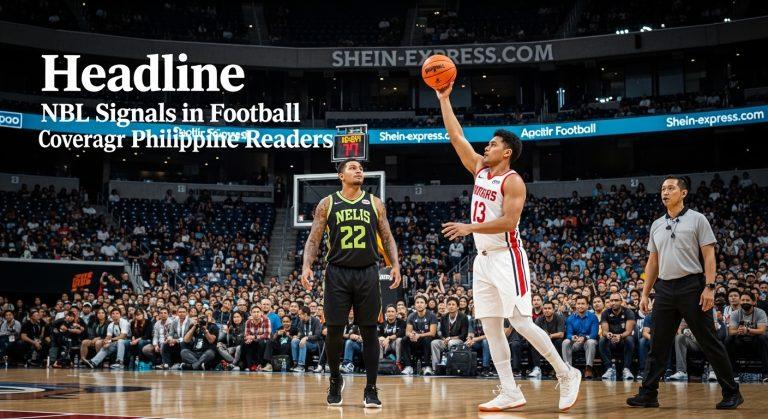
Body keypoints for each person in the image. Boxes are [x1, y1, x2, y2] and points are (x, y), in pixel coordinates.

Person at [437, 82, 581, 412]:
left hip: (507, 257)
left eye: (492, 144)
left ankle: (566, 372)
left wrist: (469, 227)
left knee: (520, 321)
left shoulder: (512, 181)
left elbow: (510, 223)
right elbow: (456, 136)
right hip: (483, 260)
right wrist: (444, 99)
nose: (485, 147)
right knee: (489, 325)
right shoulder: (480, 170)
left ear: (506, 152)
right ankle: (510, 390)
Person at [627, 176, 742, 409]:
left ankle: (732, 392)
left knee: (708, 341)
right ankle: (648, 394)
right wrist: (644, 293)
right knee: (658, 344)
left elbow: (709, 255)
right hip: (665, 289)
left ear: (684, 193)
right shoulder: (657, 224)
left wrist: (710, 287)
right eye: (662, 189)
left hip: (692, 286)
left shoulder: (697, 219)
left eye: (670, 188)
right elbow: (652, 262)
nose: (665, 192)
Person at [300, 158, 401, 408]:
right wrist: (306, 265)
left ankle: (371, 388)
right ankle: (335, 379)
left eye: (361, 168)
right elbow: (314, 239)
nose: (359, 171)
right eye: (353, 168)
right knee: (334, 331)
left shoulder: (375, 203)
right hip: (337, 273)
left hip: (368, 272)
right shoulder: (327, 203)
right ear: (341, 176)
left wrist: (395, 264)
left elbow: (387, 236)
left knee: (369, 331)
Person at [725, 291, 768, 380]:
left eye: (747, 300)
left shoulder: (760, 312)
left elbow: (762, 331)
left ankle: (766, 373)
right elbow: (731, 331)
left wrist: (748, 330)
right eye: (743, 300)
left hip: (755, 341)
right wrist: (739, 331)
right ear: (740, 301)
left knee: (763, 338)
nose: (745, 302)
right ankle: (733, 372)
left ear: (753, 302)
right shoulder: (735, 313)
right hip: (740, 341)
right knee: (728, 339)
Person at [599, 293, 637, 380]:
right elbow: (605, 331)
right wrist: (608, 335)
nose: (613, 303)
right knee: (602, 340)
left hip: (623, 339)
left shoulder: (628, 312)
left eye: (616, 300)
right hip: (611, 340)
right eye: (611, 300)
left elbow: (629, 331)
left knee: (630, 339)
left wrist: (620, 336)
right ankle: (609, 369)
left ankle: (626, 369)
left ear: (621, 301)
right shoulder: (605, 313)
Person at [562, 296, 599, 378]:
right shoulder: (570, 318)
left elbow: (594, 334)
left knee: (591, 342)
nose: (580, 306)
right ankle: (568, 369)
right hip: (576, 342)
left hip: (588, 342)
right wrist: (573, 337)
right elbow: (568, 334)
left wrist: (585, 338)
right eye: (578, 304)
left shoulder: (593, 317)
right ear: (575, 305)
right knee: (565, 342)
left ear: (587, 305)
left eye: (583, 304)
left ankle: (588, 369)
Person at [401, 295, 438, 375]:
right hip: (415, 340)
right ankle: (408, 367)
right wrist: (411, 335)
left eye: (421, 302)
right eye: (417, 302)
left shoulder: (431, 315)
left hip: (427, 340)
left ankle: (427, 366)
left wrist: (419, 335)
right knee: (404, 340)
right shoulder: (411, 316)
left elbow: (432, 333)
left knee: (427, 339)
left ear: (426, 305)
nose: (419, 304)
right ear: (414, 305)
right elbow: (407, 332)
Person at [431, 296, 469, 371]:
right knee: (434, 343)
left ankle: (451, 367)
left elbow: (463, 335)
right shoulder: (444, 317)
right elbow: (441, 332)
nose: (451, 306)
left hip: (459, 341)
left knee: (451, 343)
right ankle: (436, 368)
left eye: (453, 304)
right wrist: (443, 339)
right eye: (449, 304)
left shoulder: (463, 317)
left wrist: (450, 338)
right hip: (446, 340)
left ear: (458, 307)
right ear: (447, 306)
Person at [529, 301, 565, 378]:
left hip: (555, 339)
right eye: (545, 308)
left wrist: (550, 336)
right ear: (542, 310)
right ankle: (537, 369)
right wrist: (544, 337)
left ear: (553, 310)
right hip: (544, 340)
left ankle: (556, 369)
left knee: (559, 342)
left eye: (549, 308)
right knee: (534, 343)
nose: (547, 310)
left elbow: (561, 334)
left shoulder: (559, 317)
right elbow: (535, 334)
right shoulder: (539, 319)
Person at [289, 306, 322, 373]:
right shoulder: (301, 322)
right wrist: (297, 337)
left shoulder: (316, 321)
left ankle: (301, 366)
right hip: (304, 341)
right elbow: (301, 334)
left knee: (303, 342)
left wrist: (306, 338)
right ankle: (295, 363)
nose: (299, 316)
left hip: (314, 343)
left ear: (305, 314)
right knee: (294, 341)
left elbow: (317, 336)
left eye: (300, 314)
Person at [244, 306, 272, 371]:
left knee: (261, 342)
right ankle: (249, 365)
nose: (256, 314)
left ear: (261, 313)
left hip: (264, 340)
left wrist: (254, 337)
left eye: (258, 312)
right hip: (253, 340)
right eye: (254, 312)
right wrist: (248, 339)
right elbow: (246, 335)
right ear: (251, 313)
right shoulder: (248, 322)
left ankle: (261, 364)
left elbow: (267, 334)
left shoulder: (266, 320)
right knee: (246, 343)